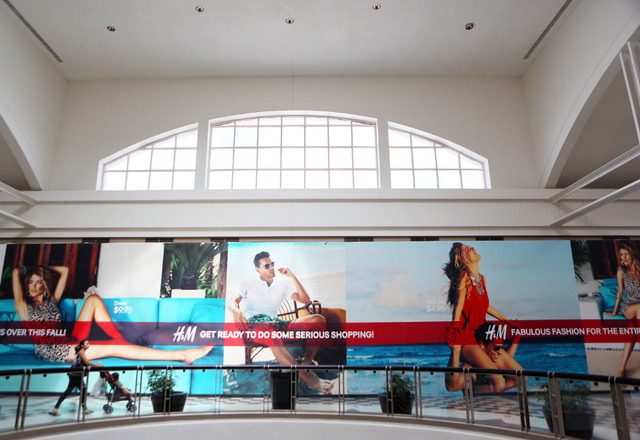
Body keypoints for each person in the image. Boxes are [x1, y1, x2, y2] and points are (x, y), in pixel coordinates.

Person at [12, 265, 212, 365]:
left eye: (38, 282)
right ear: (25, 286)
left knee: (93, 300)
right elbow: (15, 273)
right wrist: (26, 270)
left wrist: (40, 270)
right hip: (55, 351)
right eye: (30, 282)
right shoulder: (23, 307)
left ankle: (121, 341)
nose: (34, 286)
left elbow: (64, 271)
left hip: (69, 340)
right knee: (116, 347)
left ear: (44, 284)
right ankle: (183, 355)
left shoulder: (51, 302)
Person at [228, 251, 334, 394]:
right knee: (271, 335)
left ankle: (306, 363)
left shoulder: (282, 285)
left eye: (272, 264)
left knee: (318, 320)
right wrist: (235, 310)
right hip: (255, 326)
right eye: (267, 266)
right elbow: (233, 301)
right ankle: (310, 380)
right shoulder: (248, 283)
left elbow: (305, 300)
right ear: (258, 270)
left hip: (276, 323)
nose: (271, 267)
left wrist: (292, 276)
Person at [443, 243, 521, 392]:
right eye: (467, 249)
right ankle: (471, 385)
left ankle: (472, 378)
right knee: (498, 383)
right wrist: (455, 330)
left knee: (520, 378)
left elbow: (485, 306)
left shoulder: (482, 279)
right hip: (467, 338)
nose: (472, 248)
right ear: (462, 258)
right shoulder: (464, 277)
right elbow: (458, 305)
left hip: (482, 335)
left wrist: (507, 321)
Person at [445, 322, 523, 393]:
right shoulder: (470, 369)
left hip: (493, 401)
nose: (500, 352)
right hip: (476, 403)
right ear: (482, 345)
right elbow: (451, 387)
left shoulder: (492, 364)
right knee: (499, 383)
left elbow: (507, 362)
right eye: (496, 348)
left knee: (518, 379)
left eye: (501, 348)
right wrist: (455, 351)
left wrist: (516, 337)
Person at [603, 242, 640, 377]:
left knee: (632, 328)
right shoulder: (621, 271)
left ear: (632, 254)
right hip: (629, 306)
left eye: (626, 254)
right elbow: (619, 293)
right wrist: (614, 312)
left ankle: (622, 367)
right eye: (621, 255)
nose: (624, 258)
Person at [49, 339, 101, 416]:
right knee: (82, 390)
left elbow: (84, 363)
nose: (88, 344)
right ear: (82, 345)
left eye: (88, 343)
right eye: (86, 343)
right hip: (76, 375)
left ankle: (55, 408)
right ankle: (84, 409)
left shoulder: (81, 352)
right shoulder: (81, 352)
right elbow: (87, 362)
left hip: (74, 374)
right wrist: (97, 365)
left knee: (70, 391)